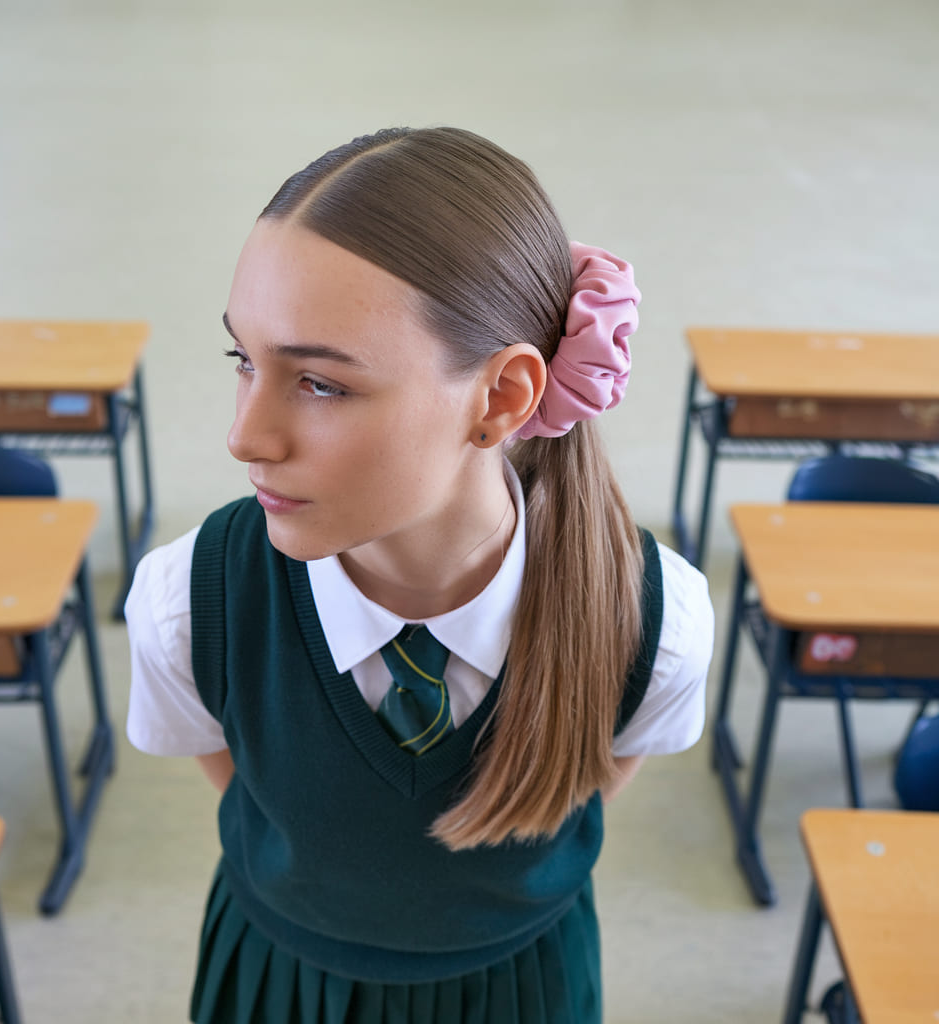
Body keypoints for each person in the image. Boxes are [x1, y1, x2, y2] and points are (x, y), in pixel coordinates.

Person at [125, 125, 713, 1024]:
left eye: (321, 383)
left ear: (502, 399)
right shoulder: (188, 603)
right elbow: (258, 786)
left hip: (522, 987)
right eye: (244, 359)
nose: (245, 437)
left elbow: (588, 780)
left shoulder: (654, 621)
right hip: (282, 982)